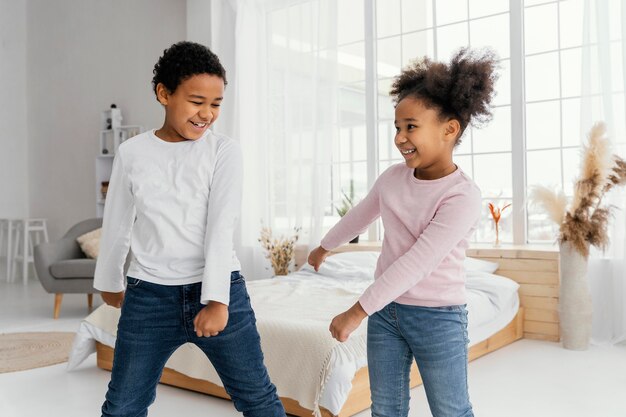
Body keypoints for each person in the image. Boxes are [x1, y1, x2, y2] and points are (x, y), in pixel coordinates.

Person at [94, 41, 286, 417]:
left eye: (216, 104)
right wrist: (109, 279)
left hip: (218, 289)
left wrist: (216, 300)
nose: (207, 114)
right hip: (147, 296)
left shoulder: (224, 152)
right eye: (197, 101)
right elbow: (117, 221)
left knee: (258, 399)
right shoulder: (132, 153)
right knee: (122, 407)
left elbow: (220, 227)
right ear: (164, 94)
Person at [308, 48, 498, 417]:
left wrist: (356, 312)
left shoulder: (461, 196)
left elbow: (417, 263)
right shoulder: (393, 178)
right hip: (388, 314)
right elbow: (360, 215)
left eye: (411, 126)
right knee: (386, 409)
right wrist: (324, 246)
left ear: (449, 129)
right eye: (397, 127)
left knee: (451, 410)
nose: (399, 137)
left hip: (438, 317)